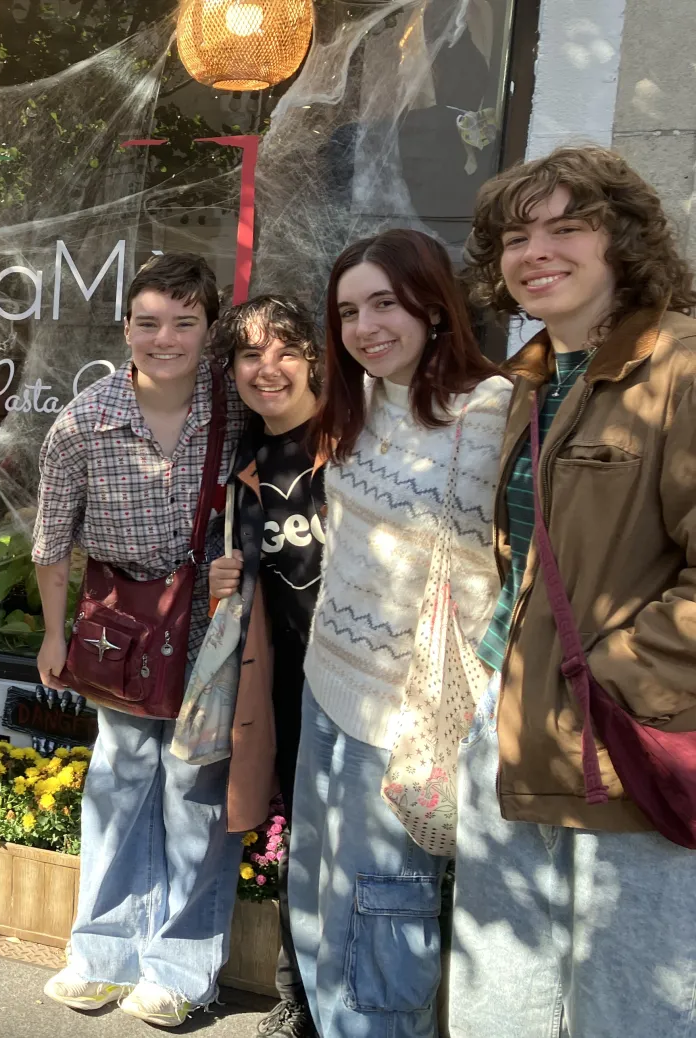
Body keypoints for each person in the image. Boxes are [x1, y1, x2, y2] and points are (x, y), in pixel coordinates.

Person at [449, 146, 696, 1035]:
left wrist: (620, 680)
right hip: (514, 737)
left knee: (628, 1014)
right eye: (517, 236)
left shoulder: (681, 369)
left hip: (625, 752)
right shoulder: (533, 377)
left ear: (621, 241)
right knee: (497, 1008)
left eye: (567, 227)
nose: (535, 252)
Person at [289, 228, 509, 1038]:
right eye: (348, 311)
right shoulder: (361, 400)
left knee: (382, 913)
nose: (365, 326)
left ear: (433, 302)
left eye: (385, 302)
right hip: (326, 683)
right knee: (316, 894)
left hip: (410, 708)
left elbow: (499, 572)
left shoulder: (488, 412)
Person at [34, 254, 246, 1029]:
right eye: (150, 322)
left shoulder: (238, 410)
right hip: (120, 625)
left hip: (213, 629)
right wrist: (54, 635)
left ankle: (183, 967)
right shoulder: (85, 419)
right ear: (125, 328)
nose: (166, 338)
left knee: (195, 791)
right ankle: (102, 954)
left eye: (185, 323)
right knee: (119, 781)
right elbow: (52, 543)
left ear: (209, 329)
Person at [205, 296, 324, 1038]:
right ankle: (299, 999)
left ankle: (345, 1004)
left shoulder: (349, 443)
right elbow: (254, 577)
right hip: (285, 682)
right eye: (250, 355)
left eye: (284, 350)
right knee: (300, 837)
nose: (267, 368)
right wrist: (230, 581)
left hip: (359, 680)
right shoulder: (245, 465)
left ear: (314, 356)